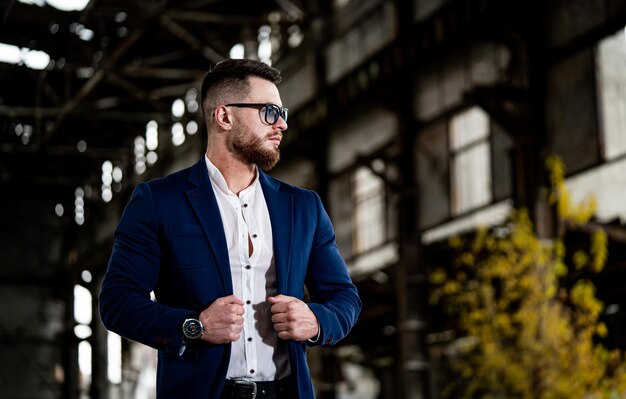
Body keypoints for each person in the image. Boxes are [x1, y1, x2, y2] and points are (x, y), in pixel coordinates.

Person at [99, 58, 361, 399]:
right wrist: (194, 326)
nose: (281, 124)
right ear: (225, 116)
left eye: (283, 114)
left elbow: (344, 297)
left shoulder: (303, 207)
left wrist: (316, 320)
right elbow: (117, 302)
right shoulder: (158, 201)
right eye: (269, 112)